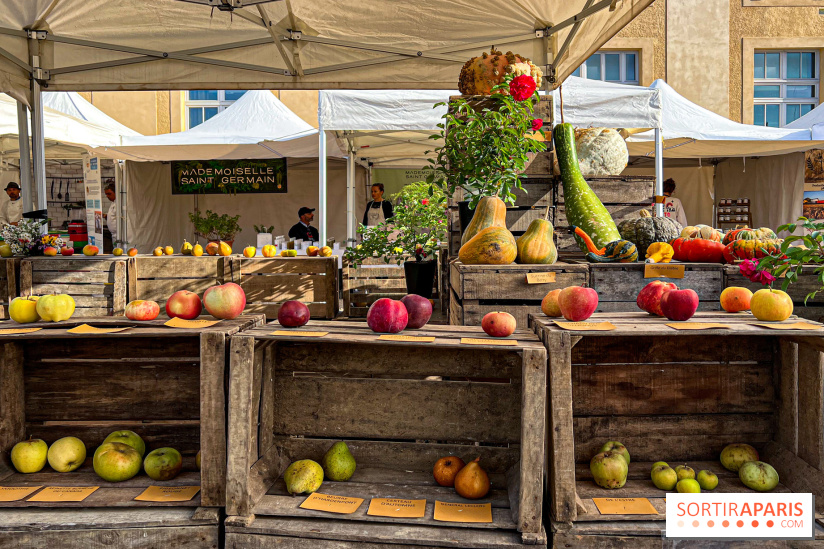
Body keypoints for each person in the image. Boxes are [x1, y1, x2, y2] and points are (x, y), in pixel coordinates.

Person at [102, 182, 117, 251]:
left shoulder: (119, 203)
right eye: (106, 194)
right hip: (114, 234)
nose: (107, 196)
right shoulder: (113, 203)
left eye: (109, 194)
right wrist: (107, 216)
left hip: (119, 235)